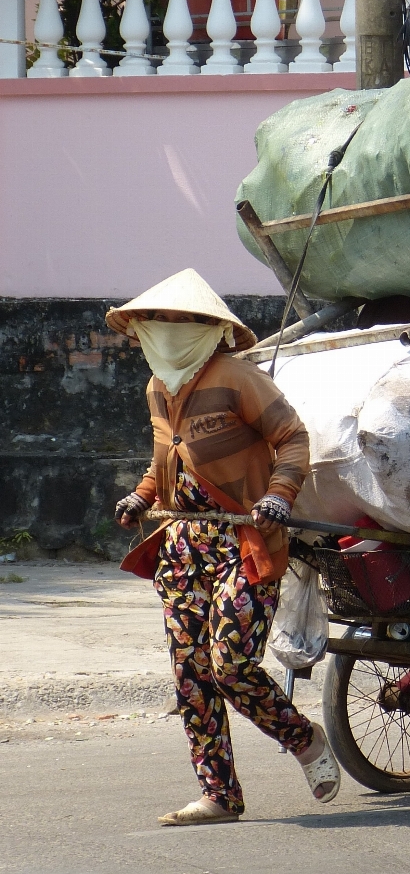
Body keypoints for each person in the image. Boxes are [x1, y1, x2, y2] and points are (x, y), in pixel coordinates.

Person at [107, 268, 339, 827]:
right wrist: (141, 497)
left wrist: (281, 494)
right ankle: (219, 795)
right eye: (153, 321)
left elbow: (293, 437)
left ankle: (305, 739)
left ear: (204, 327)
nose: (161, 330)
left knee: (231, 664)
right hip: (182, 546)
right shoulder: (158, 386)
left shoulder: (237, 378)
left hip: (246, 539)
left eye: (173, 320)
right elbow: (166, 456)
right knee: (191, 673)